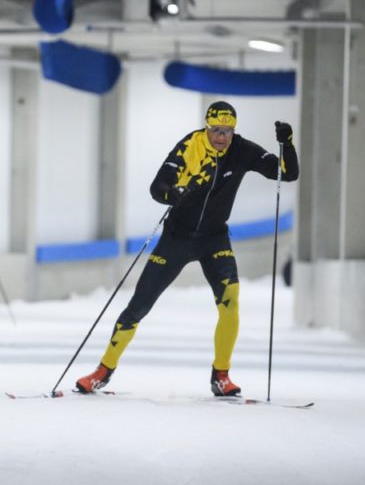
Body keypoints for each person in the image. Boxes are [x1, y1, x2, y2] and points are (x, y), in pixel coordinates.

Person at [75, 101, 298, 397]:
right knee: (139, 305)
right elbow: (158, 187)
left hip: (214, 238)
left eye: (228, 132)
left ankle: (221, 376)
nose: (222, 137)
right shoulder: (189, 146)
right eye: (216, 131)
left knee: (230, 300)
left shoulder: (242, 149)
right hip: (177, 238)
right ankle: (103, 371)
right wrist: (173, 193)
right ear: (207, 128)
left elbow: (286, 173)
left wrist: (287, 144)